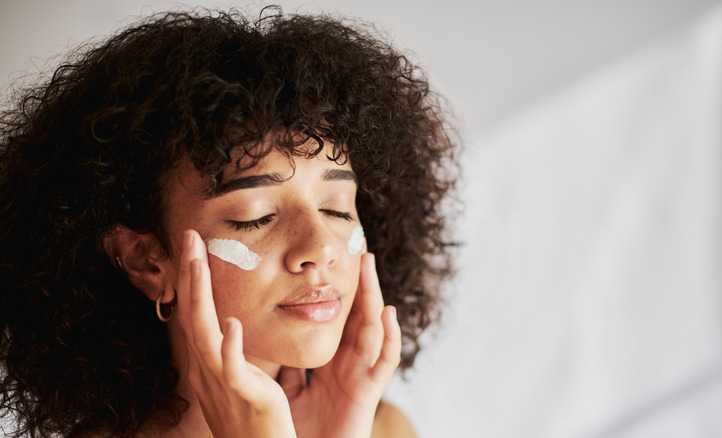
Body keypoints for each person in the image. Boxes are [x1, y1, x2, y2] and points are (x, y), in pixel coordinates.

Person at [0, 6, 458, 438]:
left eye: (337, 207)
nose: (322, 247)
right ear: (146, 260)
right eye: (255, 217)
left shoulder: (380, 428)